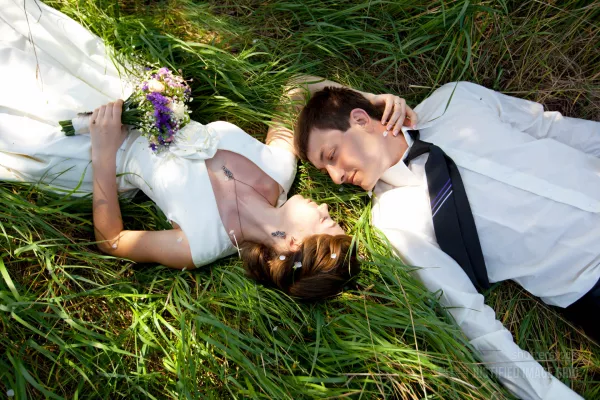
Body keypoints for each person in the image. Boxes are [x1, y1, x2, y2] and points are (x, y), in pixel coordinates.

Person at [0, 0, 402, 300]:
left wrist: (103, 154)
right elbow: (296, 87)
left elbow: (114, 241)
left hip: (101, 148)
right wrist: (371, 100)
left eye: (326, 223)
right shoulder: (281, 167)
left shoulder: (202, 244)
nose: (328, 209)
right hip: (131, 93)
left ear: (293, 243)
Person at [293, 78, 600, 399]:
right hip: (588, 280)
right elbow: (469, 317)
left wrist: (372, 97)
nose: (336, 177)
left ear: (359, 120)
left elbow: (551, 129)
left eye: (331, 155)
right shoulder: (394, 221)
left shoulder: (453, 100)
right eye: (325, 169)